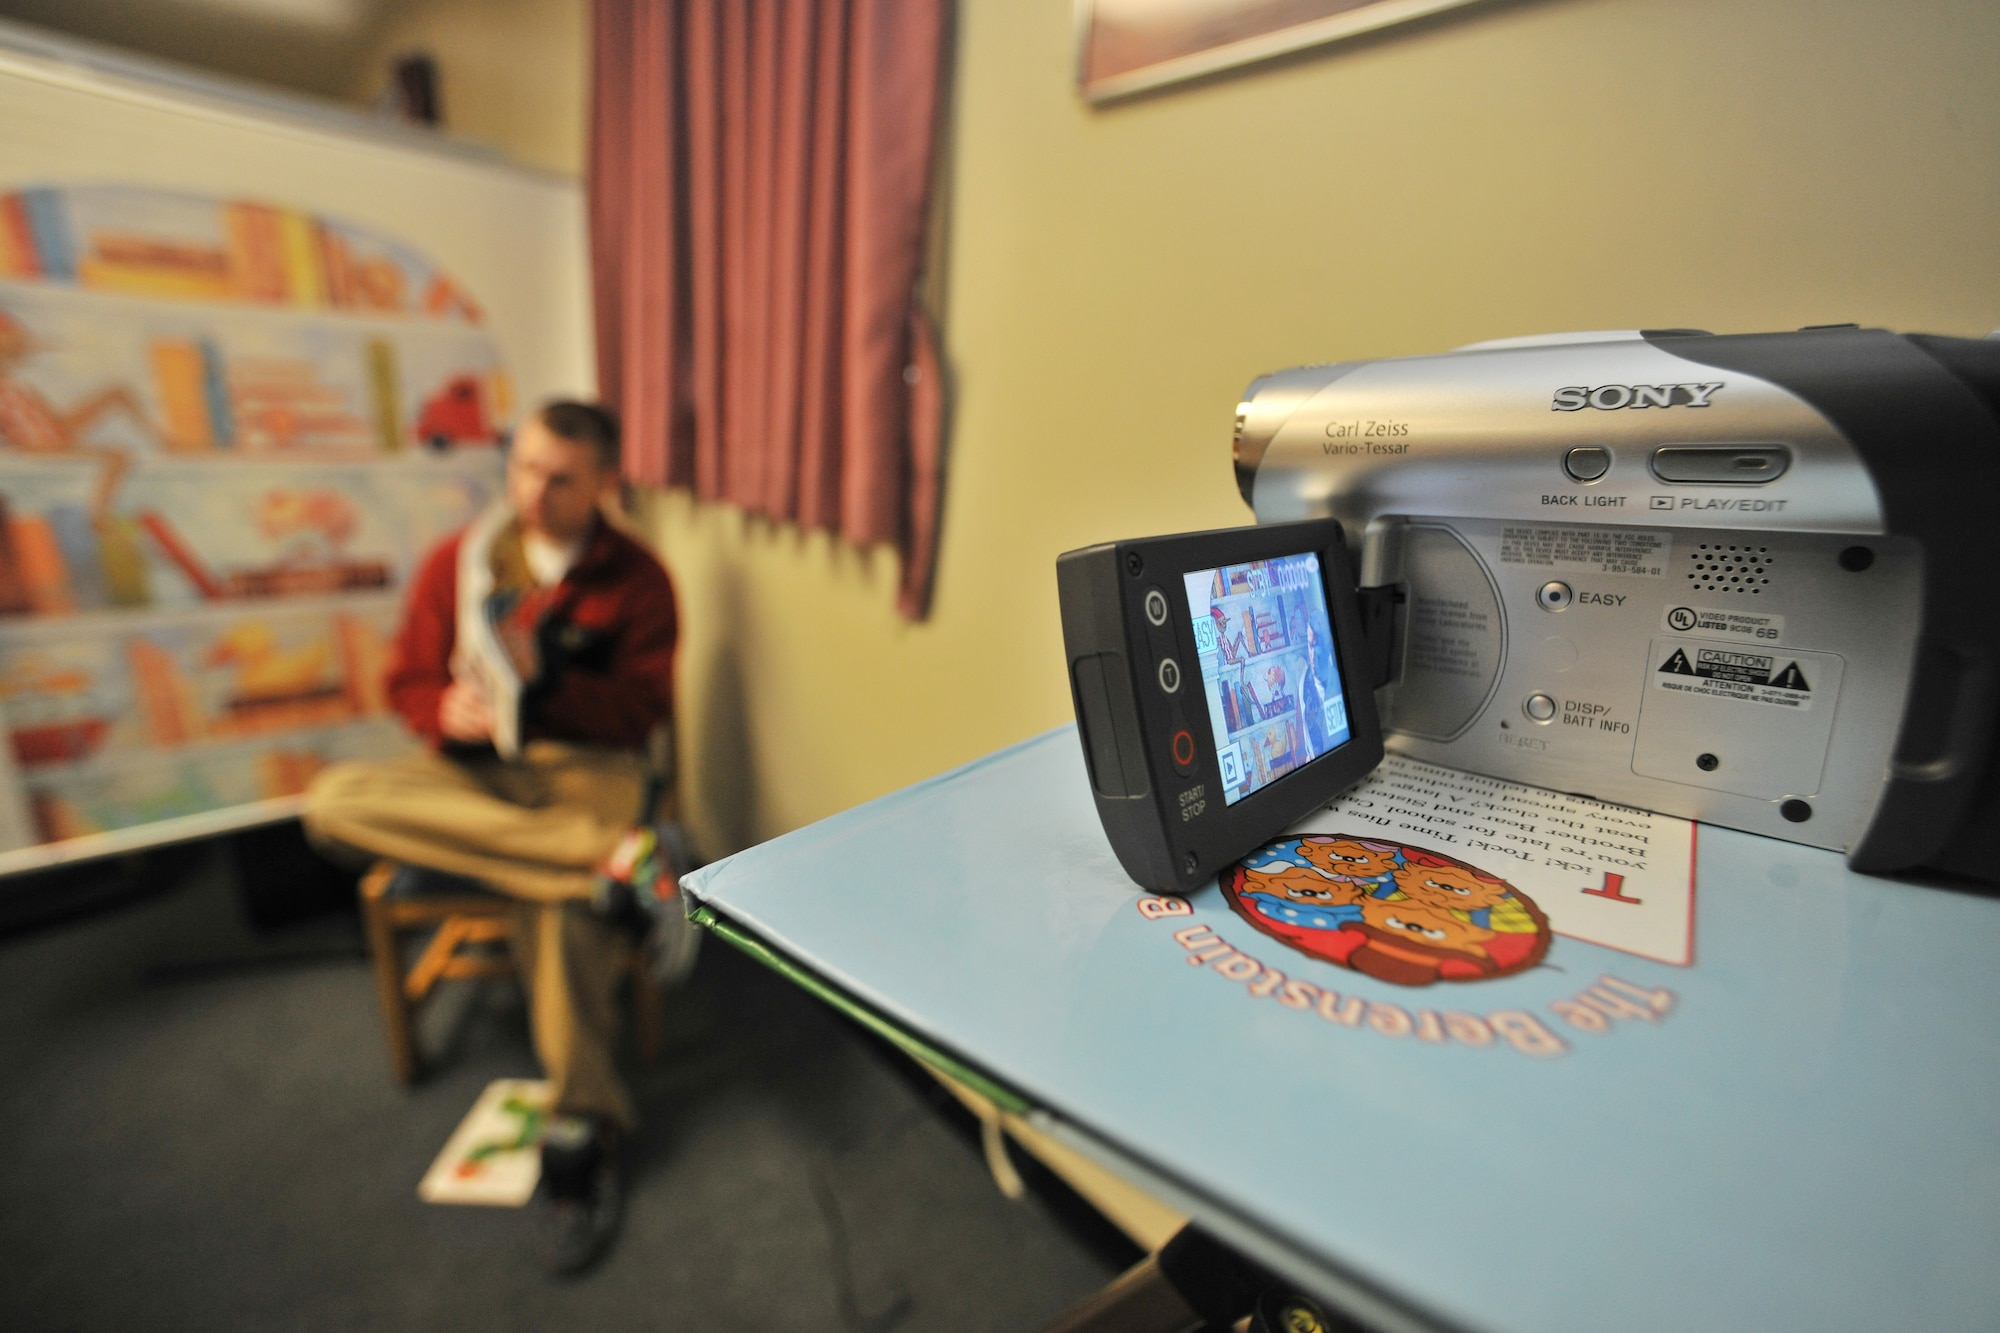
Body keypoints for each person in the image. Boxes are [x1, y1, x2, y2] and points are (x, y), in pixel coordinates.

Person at [303, 399, 678, 1274]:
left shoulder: (641, 580)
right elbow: (405, 682)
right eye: (523, 468)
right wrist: (444, 709)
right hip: (477, 775)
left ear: (604, 483)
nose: (533, 492)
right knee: (332, 801)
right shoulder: (460, 561)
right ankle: (607, 863)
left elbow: (642, 712)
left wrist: (549, 687)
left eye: (560, 479)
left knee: (562, 914)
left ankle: (582, 1128)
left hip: (585, 769)